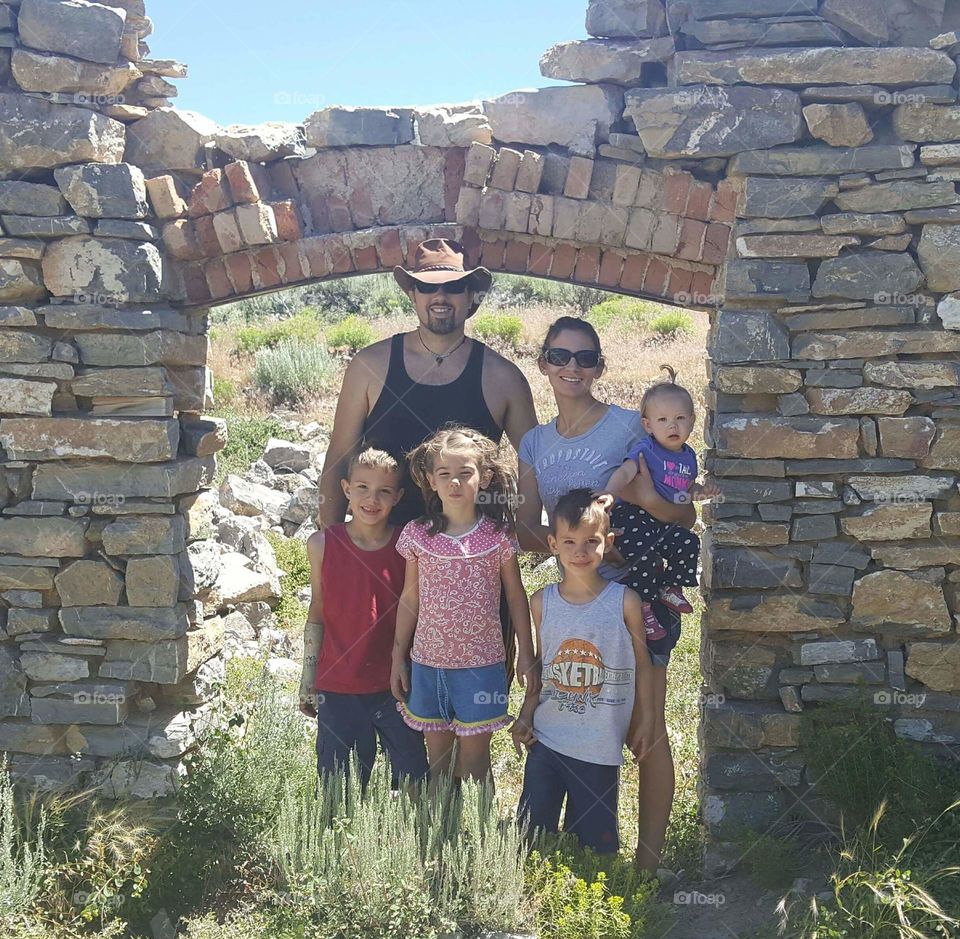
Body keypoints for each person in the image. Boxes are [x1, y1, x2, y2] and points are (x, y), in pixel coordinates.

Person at [515, 316, 696, 873]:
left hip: (635, 598)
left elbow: (683, 512)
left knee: (647, 727)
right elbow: (528, 530)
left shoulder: (627, 428)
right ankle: (579, 850)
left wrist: (641, 498)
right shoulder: (534, 442)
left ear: (600, 366)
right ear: (543, 363)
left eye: (585, 357)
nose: (572, 367)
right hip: (574, 607)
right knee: (577, 717)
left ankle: (647, 862)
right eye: (559, 355)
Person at [317, 237, 537, 678]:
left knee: (471, 713)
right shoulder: (371, 365)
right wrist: (337, 548)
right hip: (385, 562)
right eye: (428, 286)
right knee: (385, 693)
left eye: (454, 287)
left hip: (469, 572)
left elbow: (535, 462)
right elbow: (337, 462)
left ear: (471, 295)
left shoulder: (502, 377)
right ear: (412, 293)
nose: (441, 297)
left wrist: (521, 534)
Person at [390, 427, 537, 785]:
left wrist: (527, 653)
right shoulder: (418, 535)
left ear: (484, 477)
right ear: (431, 480)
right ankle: (440, 834)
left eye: (465, 473)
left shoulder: (498, 536)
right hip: (427, 665)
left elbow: (515, 597)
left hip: (481, 668)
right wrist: (398, 655)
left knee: (474, 767)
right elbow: (410, 598)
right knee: (438, 765)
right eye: (445, 474)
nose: (455, 482)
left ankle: (478, 835)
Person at [512, 489, 654, 854]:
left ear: (607, 543)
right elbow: (544, 665)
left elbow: (642, 666)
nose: (580, 551)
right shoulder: (542, 601)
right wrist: (526, 714)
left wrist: (646, 720)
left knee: (596, 849)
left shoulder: (625, 601)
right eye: (570, 542)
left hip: (599, 744)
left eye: (591, 542)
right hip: (548, 740)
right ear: (553, 544)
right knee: (529, 842)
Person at [299, 447, 428, 787]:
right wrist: (308, 676)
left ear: (398, 496)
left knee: (414, 780)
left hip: (396, 685)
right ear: (345, 489)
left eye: (384, 491)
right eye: (362, 488)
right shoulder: (322, 544)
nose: (372, 499)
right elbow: (318, 610)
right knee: (339, 788)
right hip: (338, 685)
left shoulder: (408, 546)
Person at [597, 365, 720, 641]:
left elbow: (686, 490)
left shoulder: (688, 456)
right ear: (648, 425)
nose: (672, 426)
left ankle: (671, 587)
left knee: (688, 542)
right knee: (646, 559)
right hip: (635, 517)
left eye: (679, 418)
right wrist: (610, 494)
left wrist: (702, 491)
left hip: (663, 519)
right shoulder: (647, 449)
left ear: (691, 421)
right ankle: (643, 607)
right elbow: (627, 471)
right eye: (662, 419)